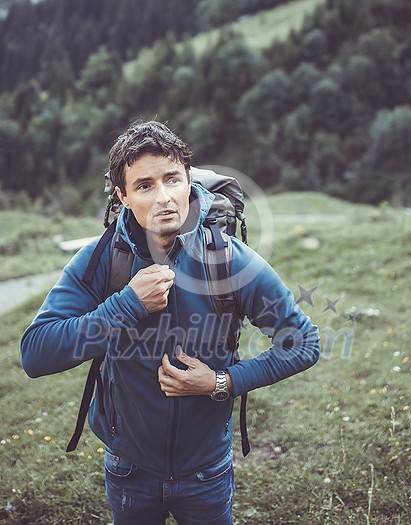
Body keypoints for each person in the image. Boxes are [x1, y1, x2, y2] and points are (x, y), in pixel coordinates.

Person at [20, 120, 320, 525]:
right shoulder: (102, 260)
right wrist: (126, 304)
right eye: (144, 186)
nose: (164, 197)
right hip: (129, 469)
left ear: (188, 180)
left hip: (206, 471)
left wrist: (222, 382)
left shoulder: (229, 259)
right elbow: (35, 354)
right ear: (123, 196)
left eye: (172, 179)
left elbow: (304, 343)